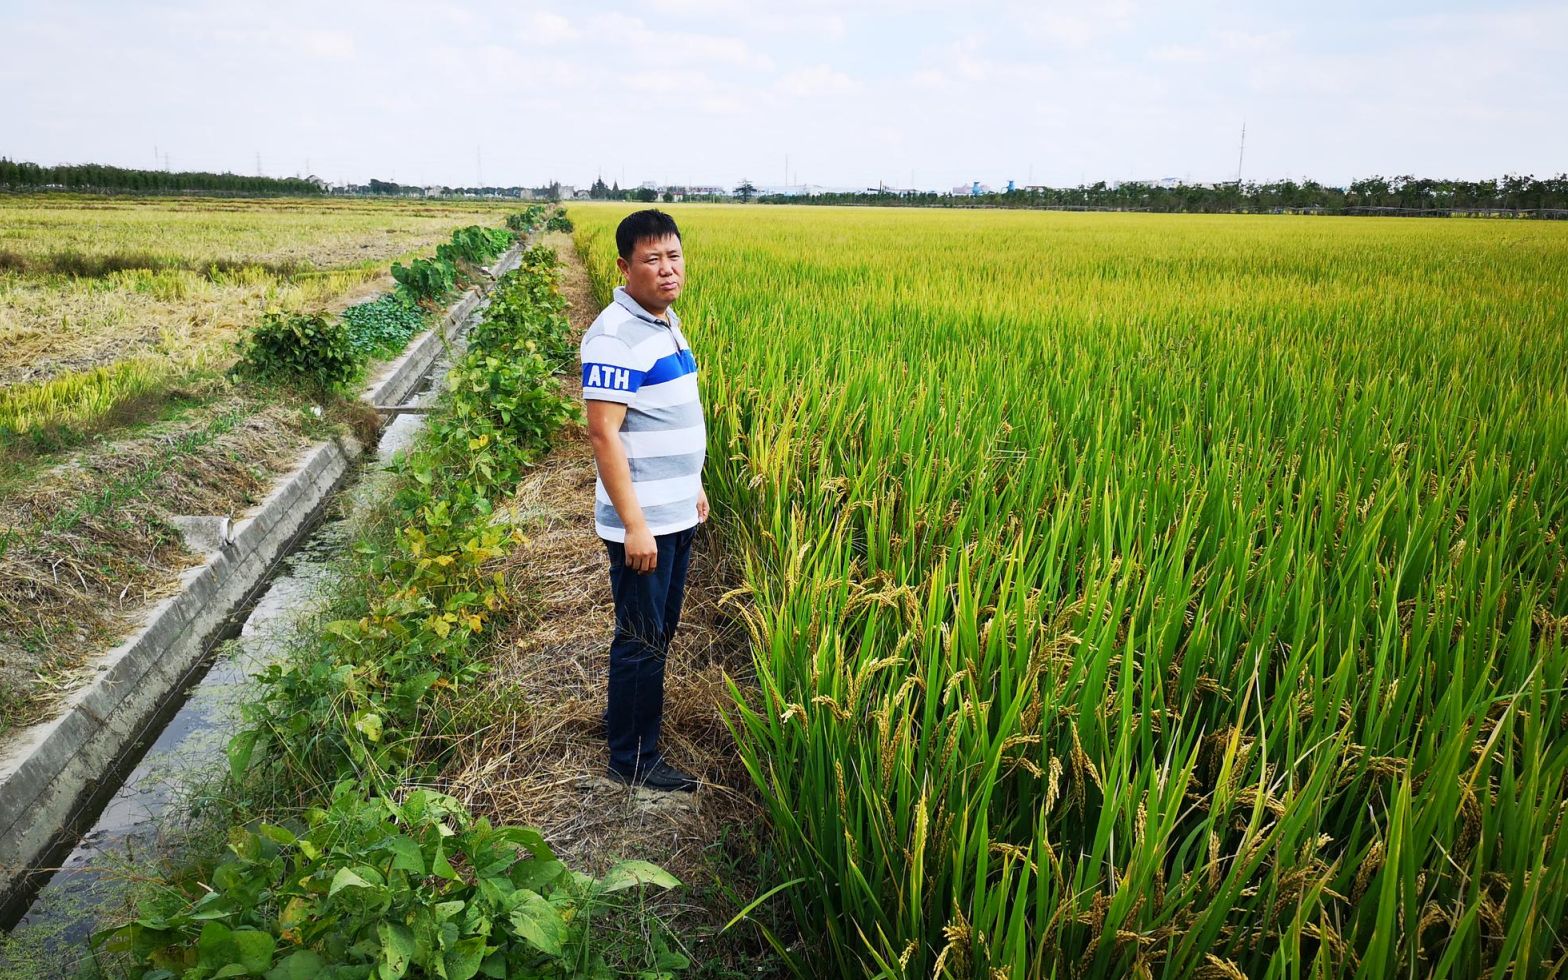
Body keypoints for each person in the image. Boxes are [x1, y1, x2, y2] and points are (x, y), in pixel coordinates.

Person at [580, 209, 707, 792]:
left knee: (657, 631)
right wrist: (635, 525)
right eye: (652, 259)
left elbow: (665, 416)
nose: (667, 270)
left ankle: (626, 723)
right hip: (646, 524)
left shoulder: (663, 321)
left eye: (673, 256)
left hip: (674, 511)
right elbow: (604, 434)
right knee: (642, 636)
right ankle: (632, 759)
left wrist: (694, 485)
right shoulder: (613, 334)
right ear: (624, 266)